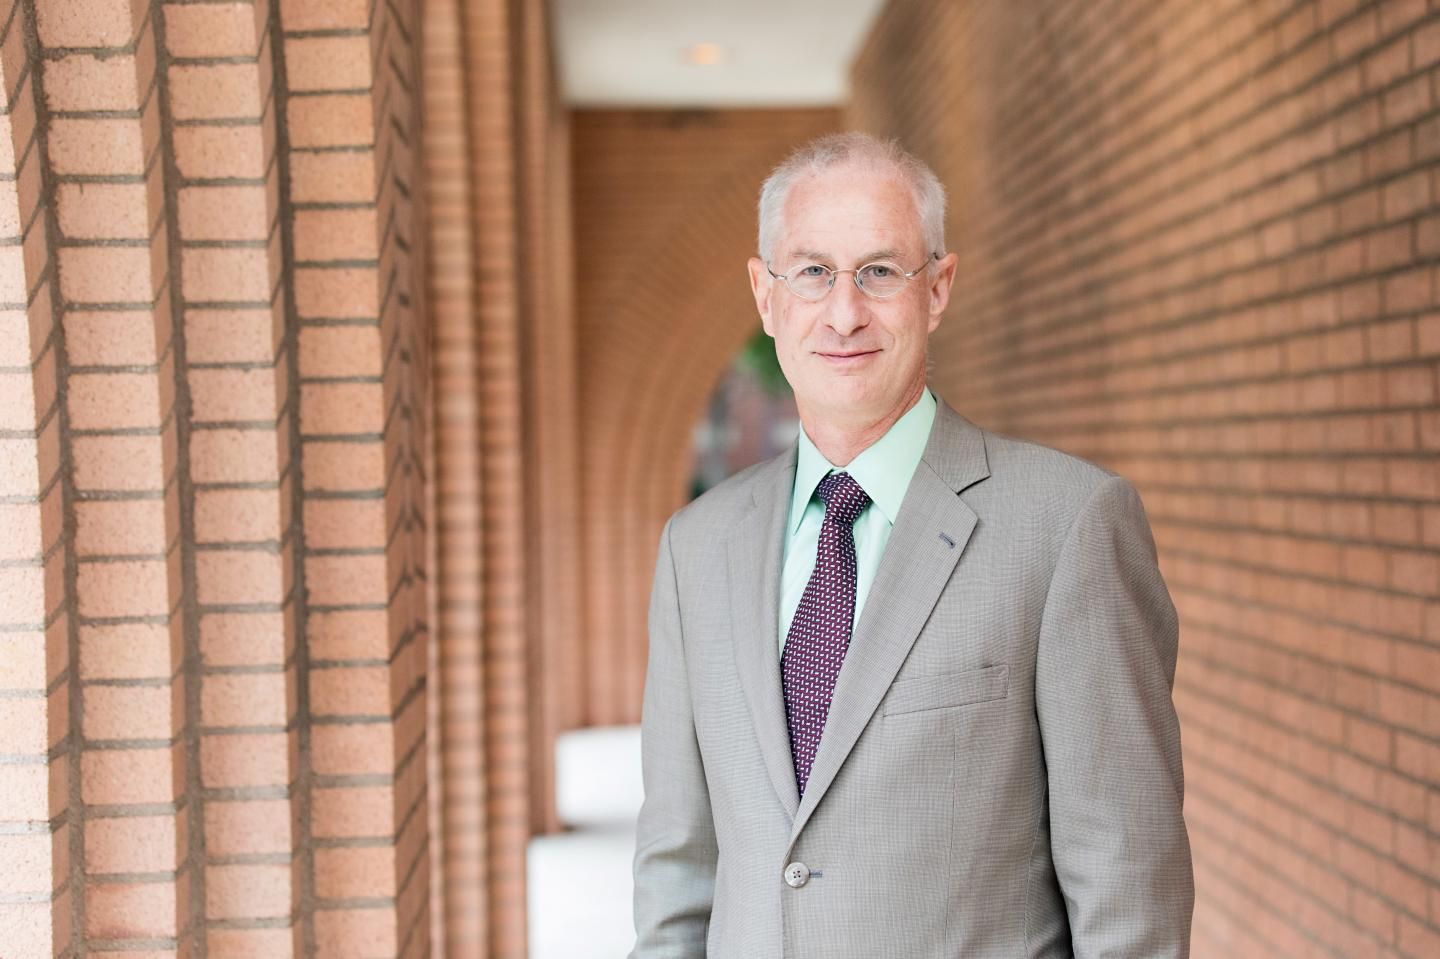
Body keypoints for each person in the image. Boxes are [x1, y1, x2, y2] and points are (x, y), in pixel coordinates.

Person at [629, 132, 1193, 957]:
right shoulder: (695, 549)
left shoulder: (1069, 526)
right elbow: (678, 877)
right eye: (813, 271)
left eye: (881, 271)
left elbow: (1128, 890)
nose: (845, 310)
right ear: (766, 294)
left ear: (938, 288)